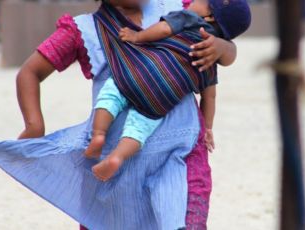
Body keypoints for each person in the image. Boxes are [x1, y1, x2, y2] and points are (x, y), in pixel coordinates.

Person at [0, 0, 238, 229]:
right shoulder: (83, 30)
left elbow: (226, 37)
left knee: (188, 221)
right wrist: (34, 125)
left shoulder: (177, 6)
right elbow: (30, 73)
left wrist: (222, 47)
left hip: (182, 155)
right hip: (115, 168)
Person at [85, 0, 251, 182]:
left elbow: (163, 29)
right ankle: (118, 157)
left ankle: (99, 134)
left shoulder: (190, 18)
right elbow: (210, 97)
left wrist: (136, 37)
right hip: (162, 99)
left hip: (144, 70)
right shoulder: (210, 62)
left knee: (112, 93)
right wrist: (208, 127)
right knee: (140, 127)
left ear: (209, 16)